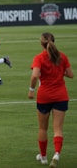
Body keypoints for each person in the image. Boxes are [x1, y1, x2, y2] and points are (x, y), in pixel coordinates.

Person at [28, 32, 73, 167]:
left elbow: (35, 76)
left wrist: (31, 90)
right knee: (58, 128)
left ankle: (43, 157)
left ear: (41, 43)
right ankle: (57, 153)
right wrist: (59, 71)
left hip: (44, 96)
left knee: (43, 128)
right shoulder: (62, 56)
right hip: (61, 95)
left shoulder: (39, 58)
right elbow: (71, 74)